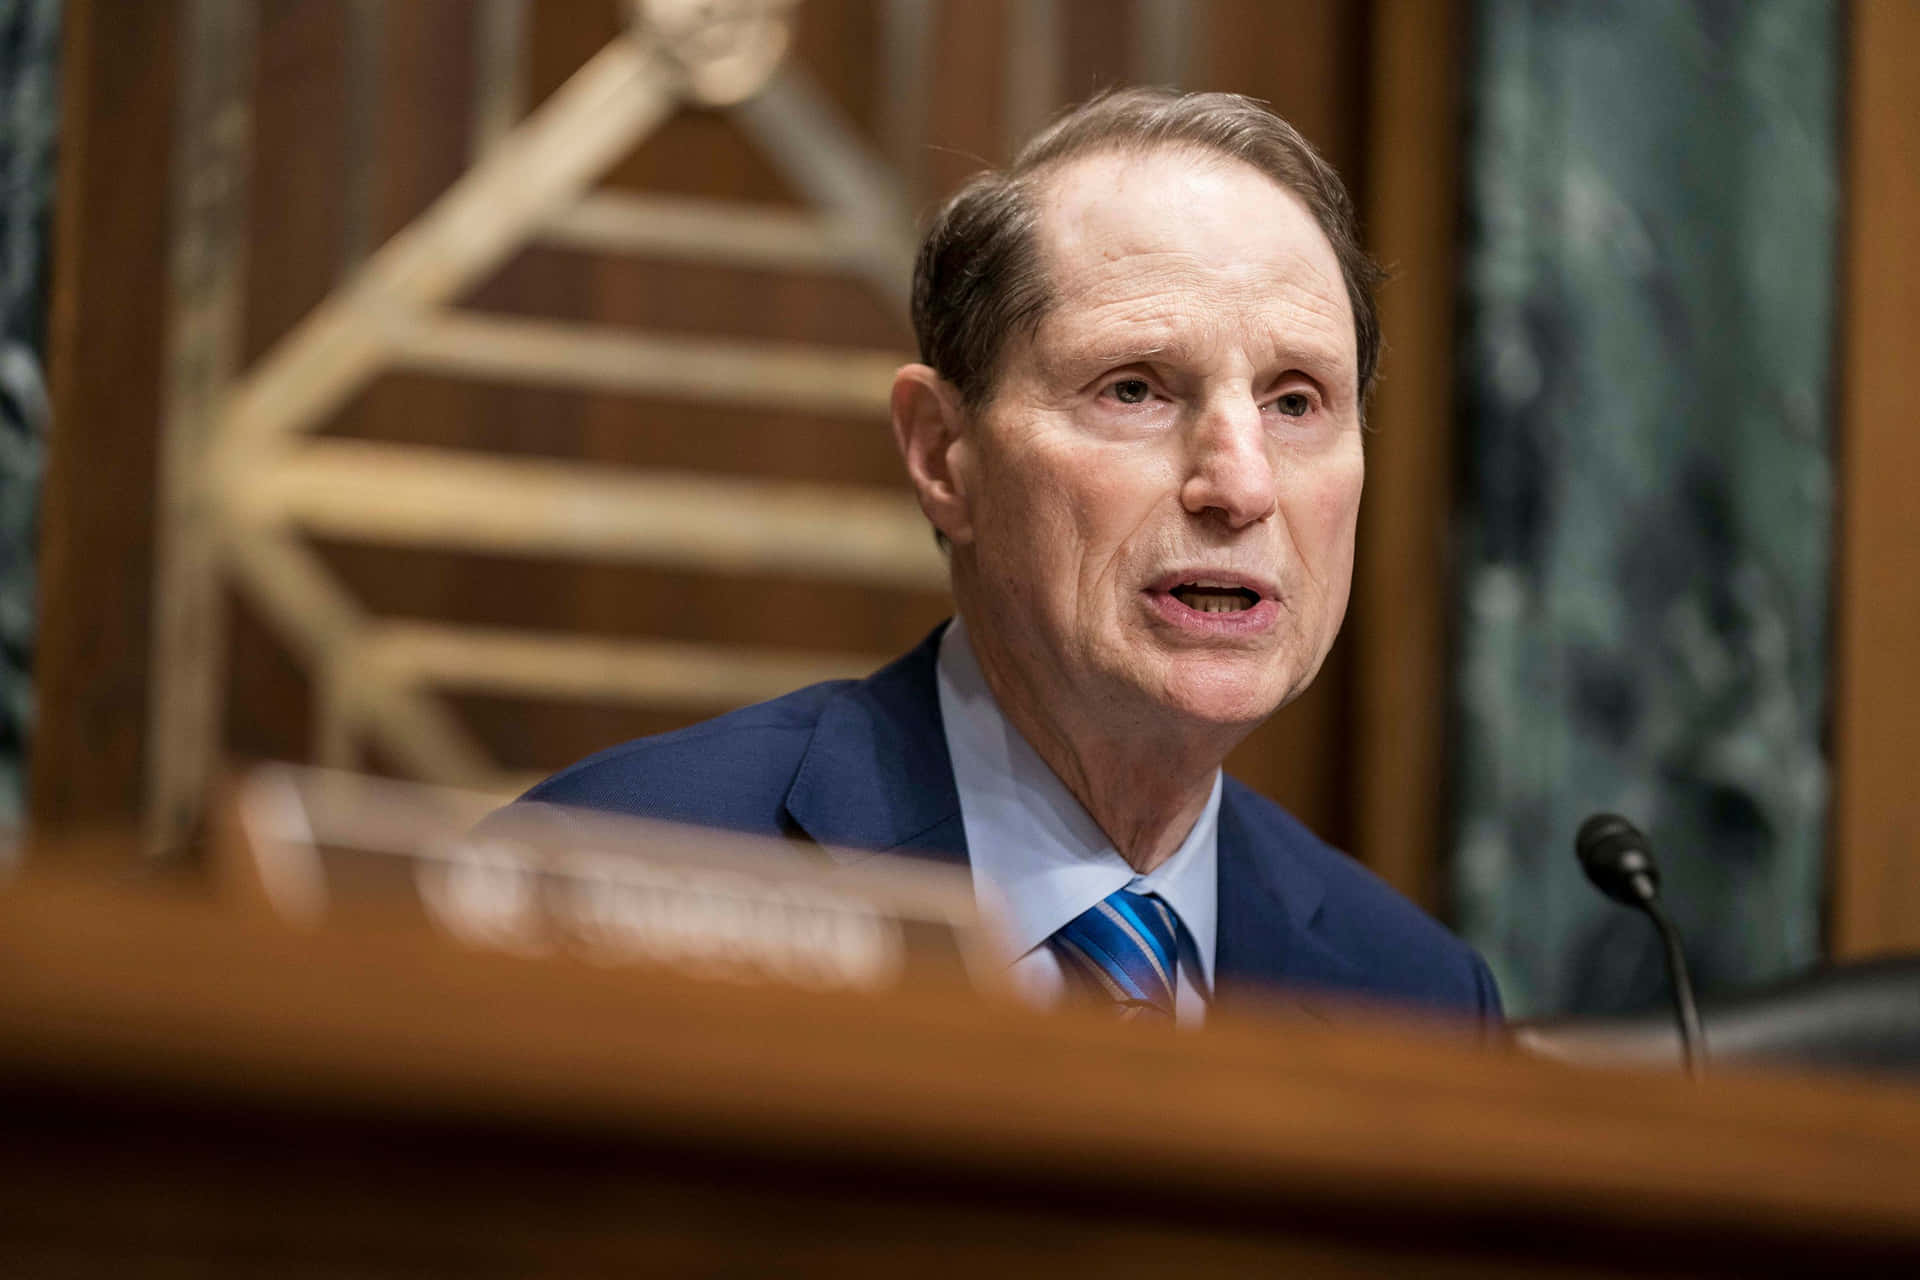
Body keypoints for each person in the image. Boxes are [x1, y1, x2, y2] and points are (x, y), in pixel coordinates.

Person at [521, 87, 1501, 1026]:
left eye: (1295, 401)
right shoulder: (622, 876)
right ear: (943, 453)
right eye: (1135, 390)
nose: (1242, 486)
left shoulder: (1417, 994)